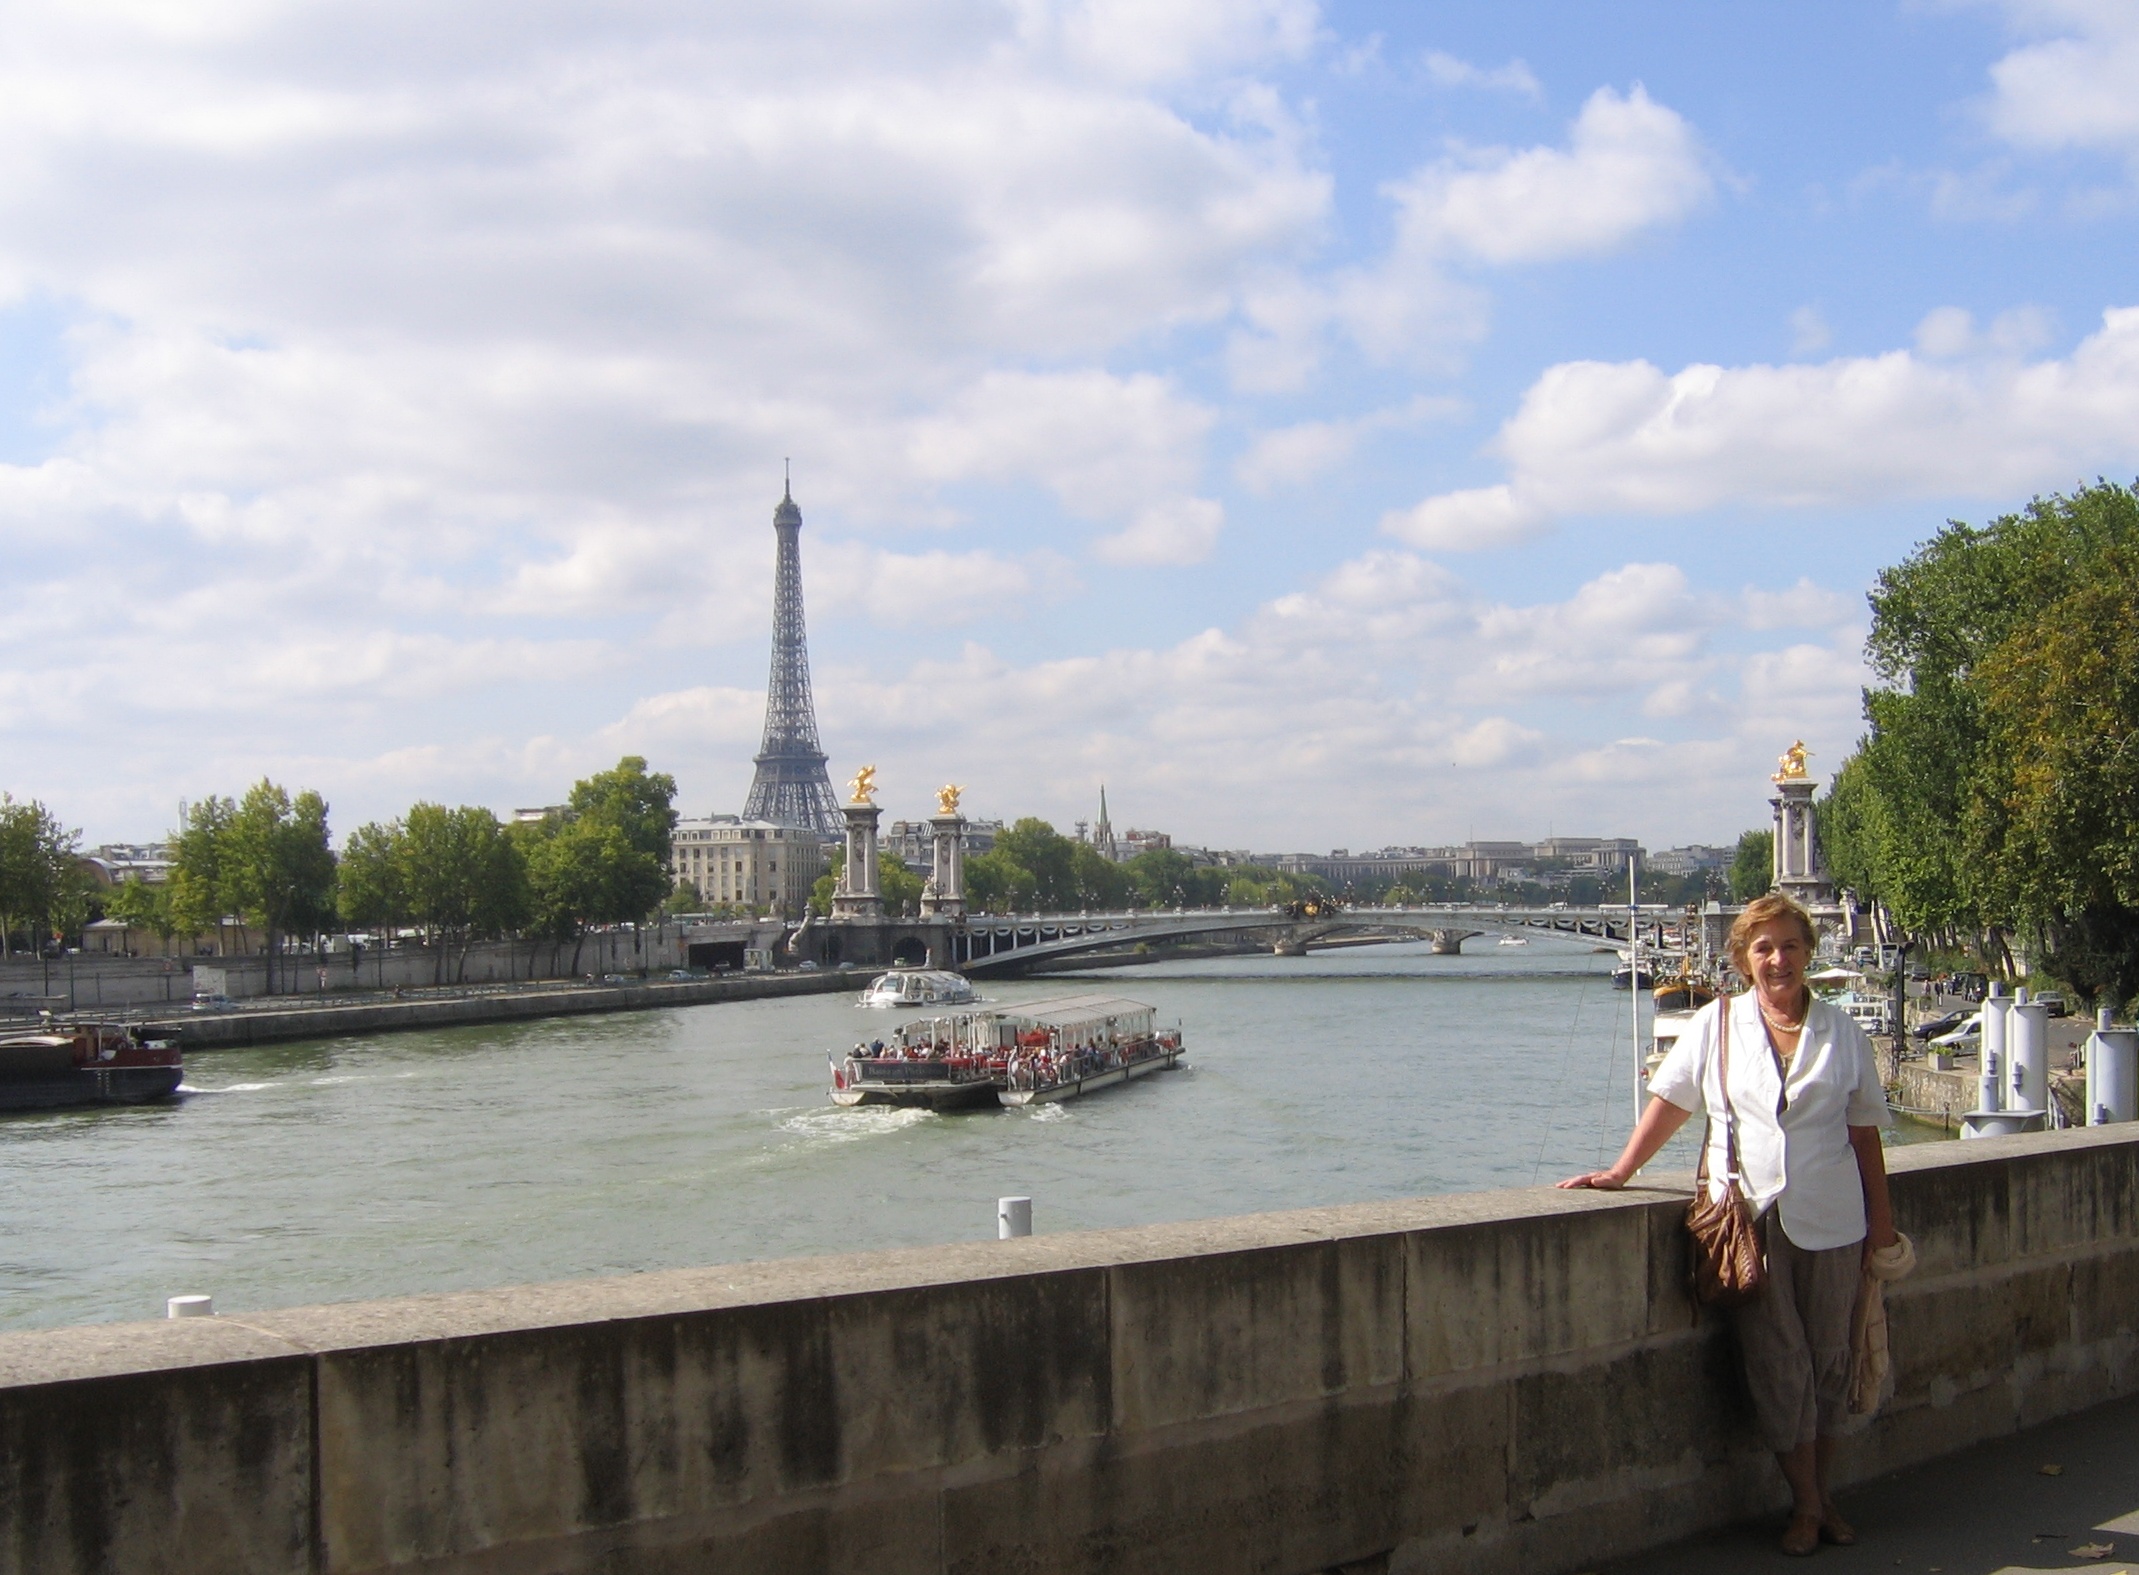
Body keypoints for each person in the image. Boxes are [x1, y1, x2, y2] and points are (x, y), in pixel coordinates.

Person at [1558, 892, 1896, 1557]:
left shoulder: (1841, 1032)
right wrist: (1620, 1170)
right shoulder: (1715, 1024)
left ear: (1807, 952)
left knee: (1829, 1365)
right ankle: (1806, 1504)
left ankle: (1818, 1495)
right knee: (1777, 1367)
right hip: (1746, 1223)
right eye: (1763, 947)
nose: (1777, 959)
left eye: (1789, 945)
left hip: (1832, 1220)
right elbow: (1671, 1103)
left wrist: (1879, 1232)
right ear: (1743, 957)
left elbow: (1864, 1138)